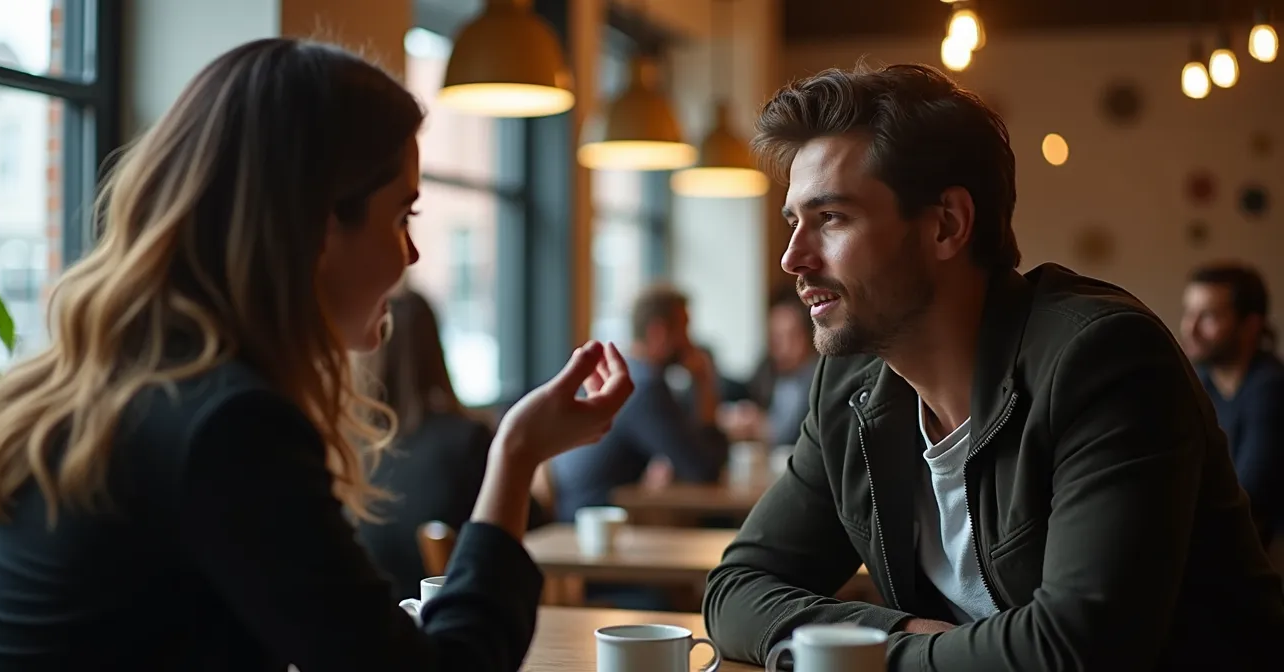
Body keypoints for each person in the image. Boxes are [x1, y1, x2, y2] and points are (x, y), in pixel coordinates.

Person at [0, 38, 632, 672]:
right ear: (320, 229)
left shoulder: (114, 389)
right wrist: (515, 458)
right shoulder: (227, 427)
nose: (413, 256)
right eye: (403, 217)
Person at [703, 64, 1284, 670]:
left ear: (947, 224)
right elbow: (735, 591)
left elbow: (1077, 649)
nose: (793, 258)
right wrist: (902, 632)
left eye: (831, 218)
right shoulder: (852, 386)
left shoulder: (1104, 361)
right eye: (794, 221)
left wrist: (875, 654)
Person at [354, 287, 543, 599]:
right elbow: (529, 526)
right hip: (451, 617)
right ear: (434, 349)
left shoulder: (347, 450)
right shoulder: (466, 441)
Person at [548, 283, 727, 523]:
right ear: (658, 333)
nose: (690, 342)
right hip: (589, 525)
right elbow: (704, 470)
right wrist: (705, 383)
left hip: (580, 513)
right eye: (684, 329)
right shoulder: (645, 389)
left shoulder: (628, 373)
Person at [1181, 263, 1284, 553]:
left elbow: (1250, 498)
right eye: (1189, 313)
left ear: (1251, 325)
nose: (1190, 328)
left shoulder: (1270, 388)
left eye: (1209, 316)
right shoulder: (1201, 382)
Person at [719, 286, 818, 447]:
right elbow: (747, 390)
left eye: (789, 336)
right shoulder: (769, 367)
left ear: (808, 336)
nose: (779, 346)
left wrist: (758, 427)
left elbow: (794, 435)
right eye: (775, 337)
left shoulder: (817, 378)